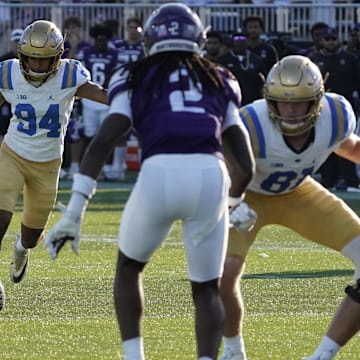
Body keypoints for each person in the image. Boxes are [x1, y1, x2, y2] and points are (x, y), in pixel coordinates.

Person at [44, 3, 256, 359]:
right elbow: (245, 164)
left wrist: (74, 212)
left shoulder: (133, 74)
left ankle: (134, 356)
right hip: (210, 174)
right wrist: (233, 204)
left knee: (129, 268)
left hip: (159, 172)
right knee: (206, 288)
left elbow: (103, 142)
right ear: (198, 39)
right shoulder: (219, 76)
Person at [218, 54, 360, 360]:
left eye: (301, 101)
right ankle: (232, 350)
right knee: (224, 276)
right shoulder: (251, 123)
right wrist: (232, 201)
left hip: (299, 194)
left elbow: (348, 147)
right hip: (248, 196)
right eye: (282, 101)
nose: (291, 109)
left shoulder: (335, 115)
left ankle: (322, 355)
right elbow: (218, 164)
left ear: (318, 100)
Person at [0, 19, 108, 311]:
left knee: (31, 237)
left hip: (48, 166)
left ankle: (21, 250)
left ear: (58, 56)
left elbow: (102, 94)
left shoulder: (70, 74)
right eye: (32, 58)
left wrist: (136, 103)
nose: (36, 66)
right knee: (0, 215)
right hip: (11, 154)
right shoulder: (8, 73)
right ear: (21, 55)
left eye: (44, 59)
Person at [310, 27, 360, 191]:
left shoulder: (350, 59)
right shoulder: (314, 60)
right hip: (323, 110)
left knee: (348, 143)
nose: (331, 42)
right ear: (322, 41)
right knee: (326, 144)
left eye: (334, 38)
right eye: (327, 39)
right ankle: (328, 181)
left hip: (347, 111)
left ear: (339, 39)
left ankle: (351, 181)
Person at [217, 32, 267, 105]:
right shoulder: (223, 60)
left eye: (243, 38)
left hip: (252, 101)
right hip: (231, 101)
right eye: (237, 38)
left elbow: (263, 81)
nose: (239, 41)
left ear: (248, 41)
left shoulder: (256, 60)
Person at [0, 28, 23, 145]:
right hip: (6, 98)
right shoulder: (3, 60)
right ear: (11, 43)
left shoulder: (31, 61)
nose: (18, 45)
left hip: (24, 97)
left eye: (20, 42)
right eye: (16, 42)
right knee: (3, 127)